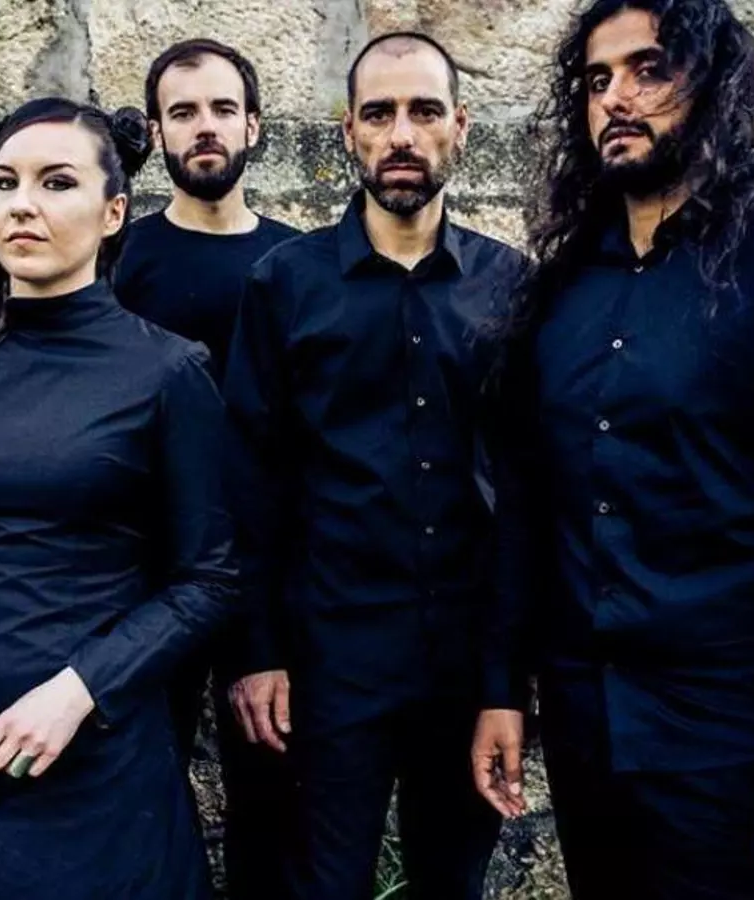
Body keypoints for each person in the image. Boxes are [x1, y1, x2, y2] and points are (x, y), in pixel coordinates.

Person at [476, 0, 754, 896]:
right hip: (588, 726)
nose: (616, 98)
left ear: (714, 86)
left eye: (649, 69)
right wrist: (502, 688)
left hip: (735, 731)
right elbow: (529, 508)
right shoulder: (562, 290)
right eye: (596, 79)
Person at [0, 96, 237, 900]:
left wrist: (79, 689)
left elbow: (210, 579)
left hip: (95, 766)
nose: (22, 204)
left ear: (113, 212)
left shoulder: (166, 372)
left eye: (57, 182)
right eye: (5, 182)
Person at [222, 31, 527, 900]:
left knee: (452, 883)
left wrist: (507, 686)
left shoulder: (511, 286)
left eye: (424, 111)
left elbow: (527, 492)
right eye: (379, 113)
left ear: (460, 127)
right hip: (328, 663)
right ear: (348, 131)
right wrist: (256, 652)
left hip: (463, 664)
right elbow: (247, 480)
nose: (401, 134)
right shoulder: (284, 284)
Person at [112, 37, 302, 898]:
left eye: (223, 109)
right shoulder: (121, 261)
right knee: (141, 803)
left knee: (274, 806)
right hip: (148, 576)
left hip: (273, 575)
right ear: (156, 132)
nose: (205, 128)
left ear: (253, 125)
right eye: (183, 112)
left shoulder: (301, 264)